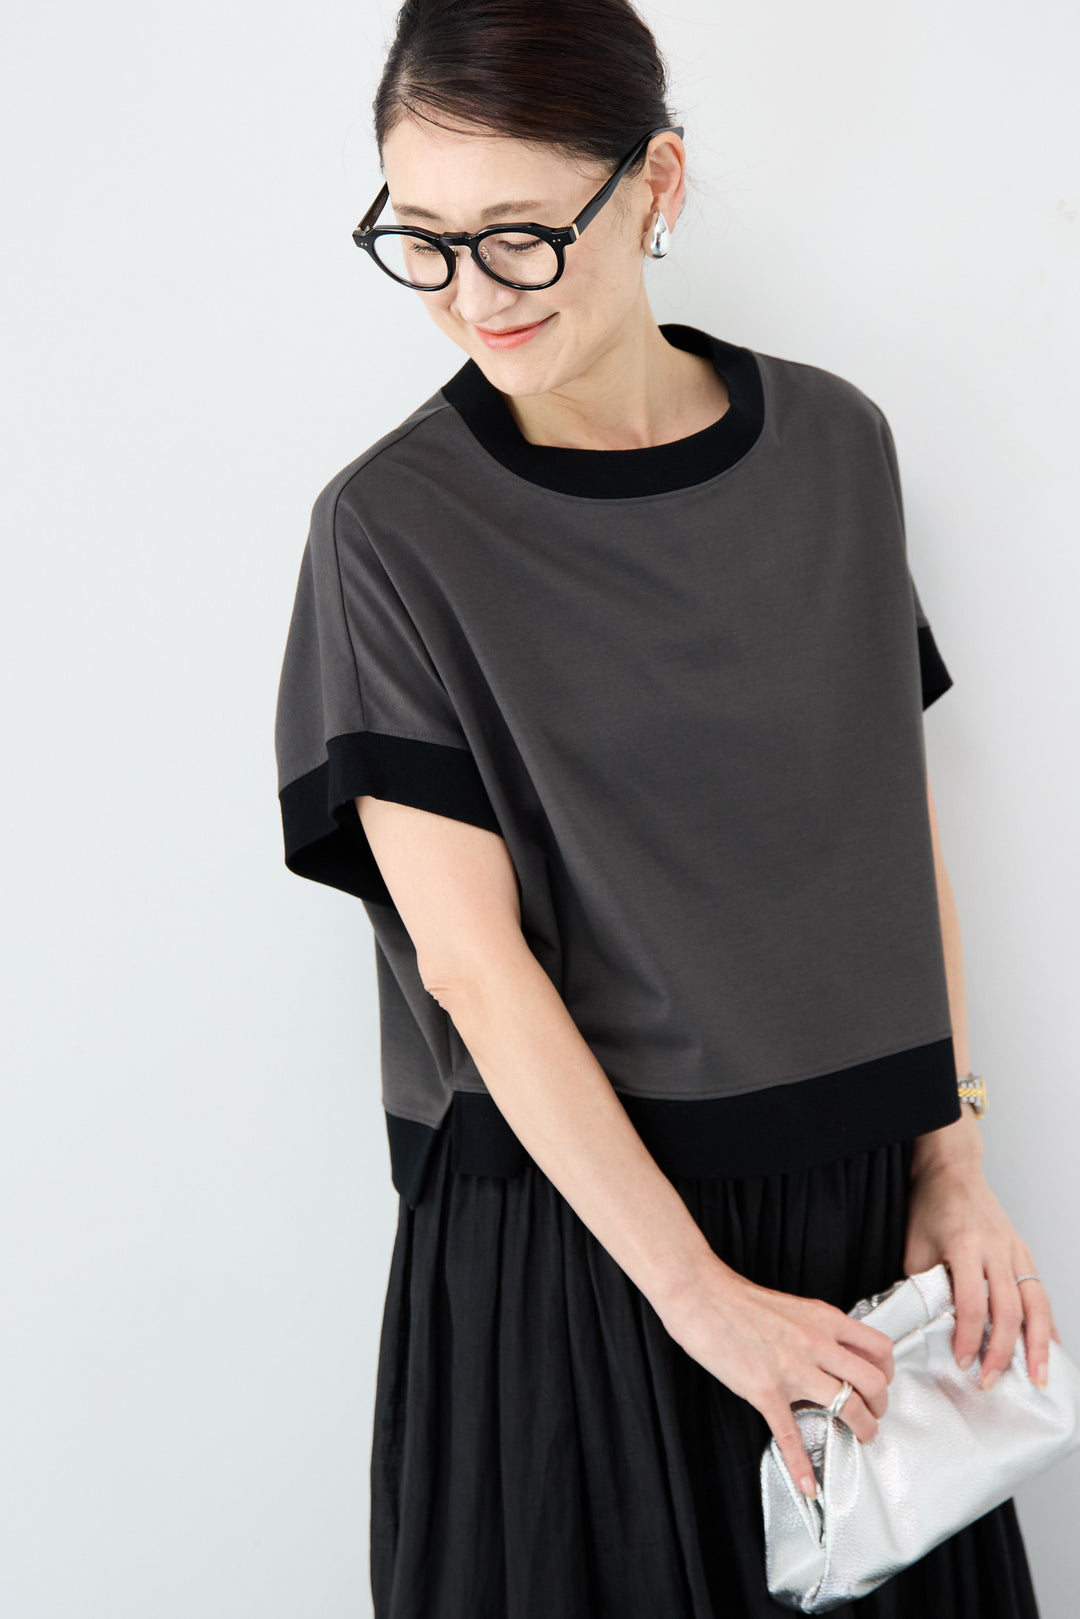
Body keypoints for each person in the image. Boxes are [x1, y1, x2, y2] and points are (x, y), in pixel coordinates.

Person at [273, 1, 1062, 1613]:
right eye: (420, 241)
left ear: (657, 187)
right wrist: (699, 1299)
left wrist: (952, 1159)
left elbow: (889, 823)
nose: (470, 296)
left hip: (856, 1219)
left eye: (518, 236)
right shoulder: (391, 531)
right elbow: (471, 967)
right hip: (583, 1250)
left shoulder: (833, 447)